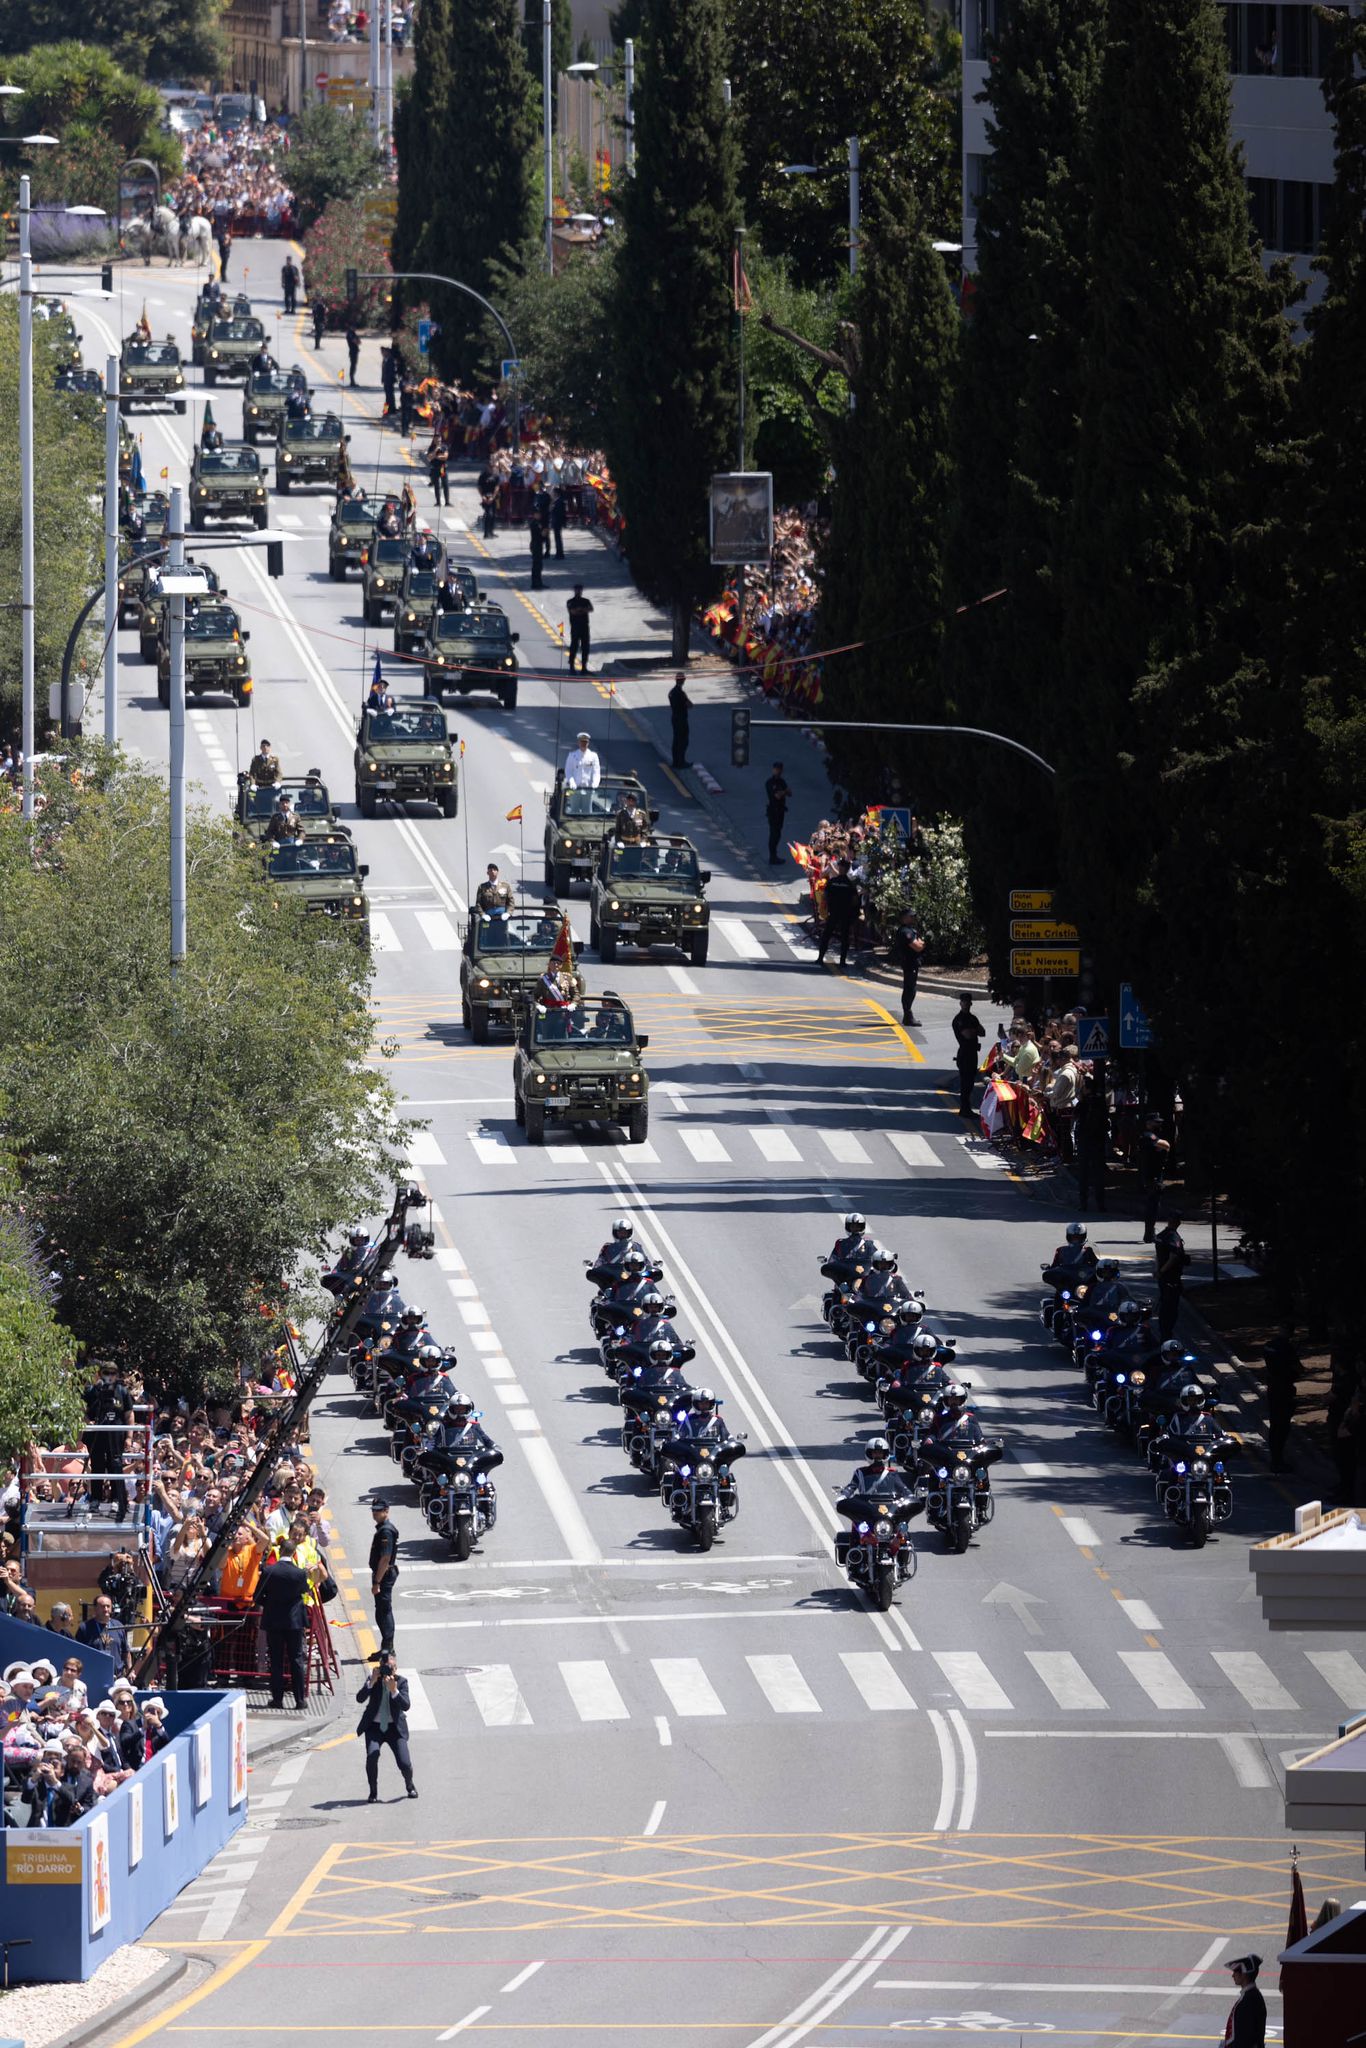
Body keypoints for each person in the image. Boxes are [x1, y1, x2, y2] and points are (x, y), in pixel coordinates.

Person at [255, 1538, 310, 1709]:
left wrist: (270, 1604)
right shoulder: (300, 1573)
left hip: (273, 1621)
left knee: (276, 1660)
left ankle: (277, 1699)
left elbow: (257, 1595)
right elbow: (303, 1590)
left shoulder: (269, 1571)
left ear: (280, 1551)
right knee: (296, 1659)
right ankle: (300, 1700)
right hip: (294, 1622)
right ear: (294, 1553)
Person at [356, 1650, 416, 1801]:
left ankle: (409, 1785)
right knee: (372, 1755)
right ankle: (373, 1791)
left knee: (404, 1763)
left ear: (396, 1669)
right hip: (375, 1727)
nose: (388, 1671)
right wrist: (371, 1682)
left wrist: (394, 1690)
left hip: (394, 1729)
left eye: (392, 1668)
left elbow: (406, 1705)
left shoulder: (401, 1682)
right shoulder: (373, 1680)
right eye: (385, 1667)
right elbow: (359, 1698)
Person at [83, 1361, 134, 1518]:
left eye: (112, 1373)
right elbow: (81, 1408)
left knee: (115, 1466)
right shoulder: (92, 1390)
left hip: (116, 1434)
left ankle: (117, 1500)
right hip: (97, 1434)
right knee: (97, 1466)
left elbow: (129, 1414)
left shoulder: (122, 1391)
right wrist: (87, 1421)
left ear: (117, 1375)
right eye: (106, 1373)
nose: (109, 1376)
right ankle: (95, 1500)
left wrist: (129, 1437)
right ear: (100, 1374)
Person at [815, 857, 860, 970]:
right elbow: (855, 900)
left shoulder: (833, 882)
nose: (840, 868)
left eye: (841, 867)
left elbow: (825, 896)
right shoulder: (850, 884)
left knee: (828, 935)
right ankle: (841, 961)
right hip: (844, 913)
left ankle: (821, 959)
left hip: (835, 913)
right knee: (843, 937)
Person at [369, 1499, 399, 1654]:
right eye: (374, 1510)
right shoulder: (382, 1529)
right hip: (382, 1574)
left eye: (379, 1510)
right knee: (380, 1611)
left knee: (384, 1612)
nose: (375, 1513)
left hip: (384, 1576)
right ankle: (386, 1647)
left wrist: (376, 1582)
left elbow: (385, 1559)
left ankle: (388, 1649)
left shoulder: (386, 1531)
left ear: (386, 1511)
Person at [76, 1594, 130, 1676]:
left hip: (117, 1676)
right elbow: (78, 1653)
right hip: (94, 1675)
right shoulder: (85, 1628)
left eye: (108, 1606)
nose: (106, 1609)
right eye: (102, 1606)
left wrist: (130, 1671)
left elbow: (126, 1652)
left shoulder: (118, 1626)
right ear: (95, 1609)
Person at [1154, 1212, 1189, 1339]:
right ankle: (1166, 1334)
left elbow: (1158, 1257)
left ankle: (1164, 1332)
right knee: (1171, 1308)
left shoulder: (1161, 1236)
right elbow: (1173, 1257)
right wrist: (1162, 1271)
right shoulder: (1173, 1237)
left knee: (1164, 1305)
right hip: (1171, 1277)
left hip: (1163, 1278)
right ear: (1177, 1222)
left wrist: (1158, 1271)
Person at [888, 909, 925, 1026]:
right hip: (909, 963)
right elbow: (918, 947)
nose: (913, 918)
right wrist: (923, 942)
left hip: (912, 963)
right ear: (904, 918)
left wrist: (920, 942)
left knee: (910, 989)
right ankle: (908, 1016)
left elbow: (919, 944)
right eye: (911, 916)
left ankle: (907, 1016)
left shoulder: (909, 930)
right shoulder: (905, 932)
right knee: (910, 990)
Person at [952, 994, 985, 1117]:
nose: (966, 1004)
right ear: (960, 1003)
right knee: (965, 1083)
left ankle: (967, 1109)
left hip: (973, 1053)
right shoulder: (959, 1019)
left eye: (968, 1002)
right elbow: (968, 1035)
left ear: (971, 1003)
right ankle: (964, 1109)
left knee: (970, 1082)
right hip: (965, 1053)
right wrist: (974, 1030)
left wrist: (973, 1030)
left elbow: (983, 1032)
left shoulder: (972, 1018)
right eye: (964, 1002)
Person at [1222, 1954, 1266, 2045]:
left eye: (1235, 1972)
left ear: (1244, 1974)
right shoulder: (1252, 1996)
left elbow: (1243, 2039)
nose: (1233, 1975)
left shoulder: (1248, 2002)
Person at [764, 761, 791, 865]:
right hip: (773, 811)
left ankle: (774, 855)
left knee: (778, 833)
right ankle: (772, 856)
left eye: (780, 769)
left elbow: (790, 793)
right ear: (773, 769)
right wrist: (784, 792)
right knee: (774, 834)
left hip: (780, 811)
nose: (778, 771)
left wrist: (783, 792)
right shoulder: (770, 782)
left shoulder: (781, 781)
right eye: (776, 769)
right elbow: (777, 796)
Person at [566, 586, 593, 673]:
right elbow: (572, 611)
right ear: (574, 591)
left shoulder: (585, 601)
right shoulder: (570, 601)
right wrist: (583, 610)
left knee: (585, 647)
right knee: (574, 646)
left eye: (580, 590)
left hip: (584, 626)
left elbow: (591, 609)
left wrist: (579, 610)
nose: (578, 591)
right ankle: (571, 666)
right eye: (577, 590)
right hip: (575, 627)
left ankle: (584, 667)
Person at [668, 673, 691, 771]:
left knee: (676, 740)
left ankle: (675, 761)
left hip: (674, 717)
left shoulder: (672, 692)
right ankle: (681, 761)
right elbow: (690, 705)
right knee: (683, 741)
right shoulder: (681, 693)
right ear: (683, 681)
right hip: (681, 718)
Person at [427, 433, 449, 507]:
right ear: (434, 440)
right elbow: (429, 457)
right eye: (437, 440)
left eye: (439, 440)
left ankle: (447, 502)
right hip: (435, 468)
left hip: (442, 468)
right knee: (436, 485)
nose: (438, 441)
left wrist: (436, 456)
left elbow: (445, 457)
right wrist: (436, 451)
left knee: (445, 484)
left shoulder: (444, 447)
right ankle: (438, 502)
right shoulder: (431, 448)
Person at [528, 508, 546, 590]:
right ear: (534, 514)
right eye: (537, 514)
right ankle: (535, 583)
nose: (539, 515)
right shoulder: (534, 523)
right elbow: (540, 534)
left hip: (538, 544)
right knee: (536, 565)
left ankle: (539, 582)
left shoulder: (538, 523)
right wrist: (544, 532)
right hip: (536, 545)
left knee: (539, 565)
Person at [550, 487, 566, 559]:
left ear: (556, 493)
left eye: (553, 493)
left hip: (557, 522)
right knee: (557, 538)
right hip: (556, 522)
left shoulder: (559, 502)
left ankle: (559, 554)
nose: (552, 494)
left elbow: (560, 513)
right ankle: (559, 553)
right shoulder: (556, 501)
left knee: (558, 538)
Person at [345, 322, 360, 386]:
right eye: (354, 327)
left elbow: (359, 342)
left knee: (354, 366)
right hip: (352, 351)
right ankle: (352, 381)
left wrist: (357, 341)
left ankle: (352, 381)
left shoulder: (353, 333)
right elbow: (355, 341)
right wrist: (357, 341)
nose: (355, 328)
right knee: (353, 366)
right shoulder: (350, 333)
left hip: (355, 351)